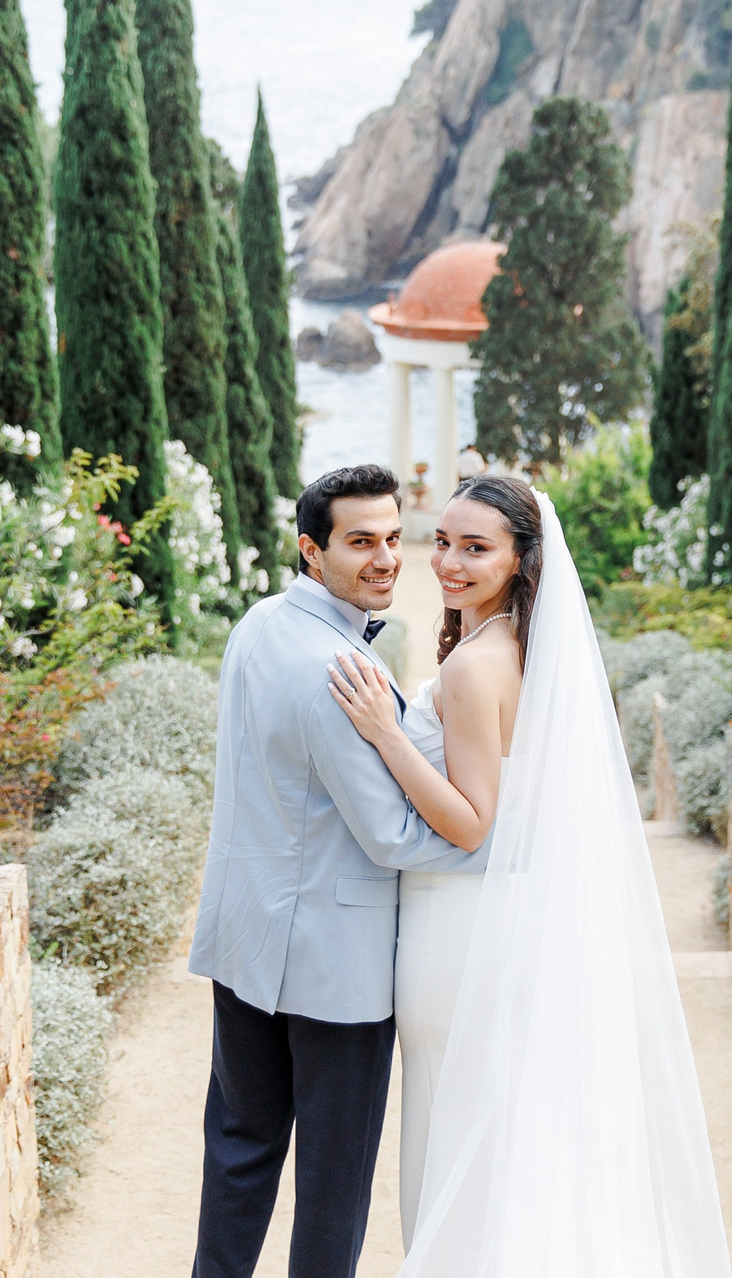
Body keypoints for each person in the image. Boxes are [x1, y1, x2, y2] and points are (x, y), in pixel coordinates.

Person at [325, 476, 732, 1275]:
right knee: (499, 1129)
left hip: (458, 926)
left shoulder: (478, 667)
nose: (447, 561)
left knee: (459, 1132)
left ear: (520, 561)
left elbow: (474, 819)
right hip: (493, 922)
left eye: (476, 548)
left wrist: (384, 733)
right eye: (441, 540)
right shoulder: (513, 647)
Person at [186, 464, 481, 1278]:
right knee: (332, 1181)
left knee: (239, 1149)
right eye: (361, 542)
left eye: (393, 537)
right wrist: (491, 845)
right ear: (312, 551)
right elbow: (390, 835)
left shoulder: (257, 623)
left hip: (246, 939)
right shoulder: (343, 675)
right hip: (336, 967)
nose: (385, 558)